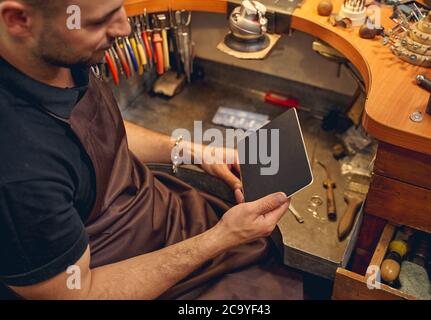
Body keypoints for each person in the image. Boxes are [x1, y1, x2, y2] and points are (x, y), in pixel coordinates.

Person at [0, 0, 303, 300]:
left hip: (166, 215)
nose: (124, 27)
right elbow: (78, 293)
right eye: (97, 22)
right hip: (125, 274)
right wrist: (223, 238)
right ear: (18, 20)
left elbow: (100, 131)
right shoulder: (18, 170)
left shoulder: (58, 54)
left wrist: (191, 151)